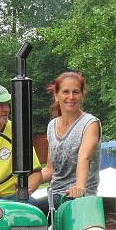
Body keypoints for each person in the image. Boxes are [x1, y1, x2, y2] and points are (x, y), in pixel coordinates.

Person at [38, 72, 101, 208]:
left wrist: (79, 187)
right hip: (55, 196)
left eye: (76, 92)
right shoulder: (52, 126)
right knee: (22, 209)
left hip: (78, 198)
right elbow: (50, 170)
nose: (71, 97)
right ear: (56, 96)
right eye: (66, 92)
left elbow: (84, 158)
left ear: (82, 96)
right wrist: (25, 183)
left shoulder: (90, 124)